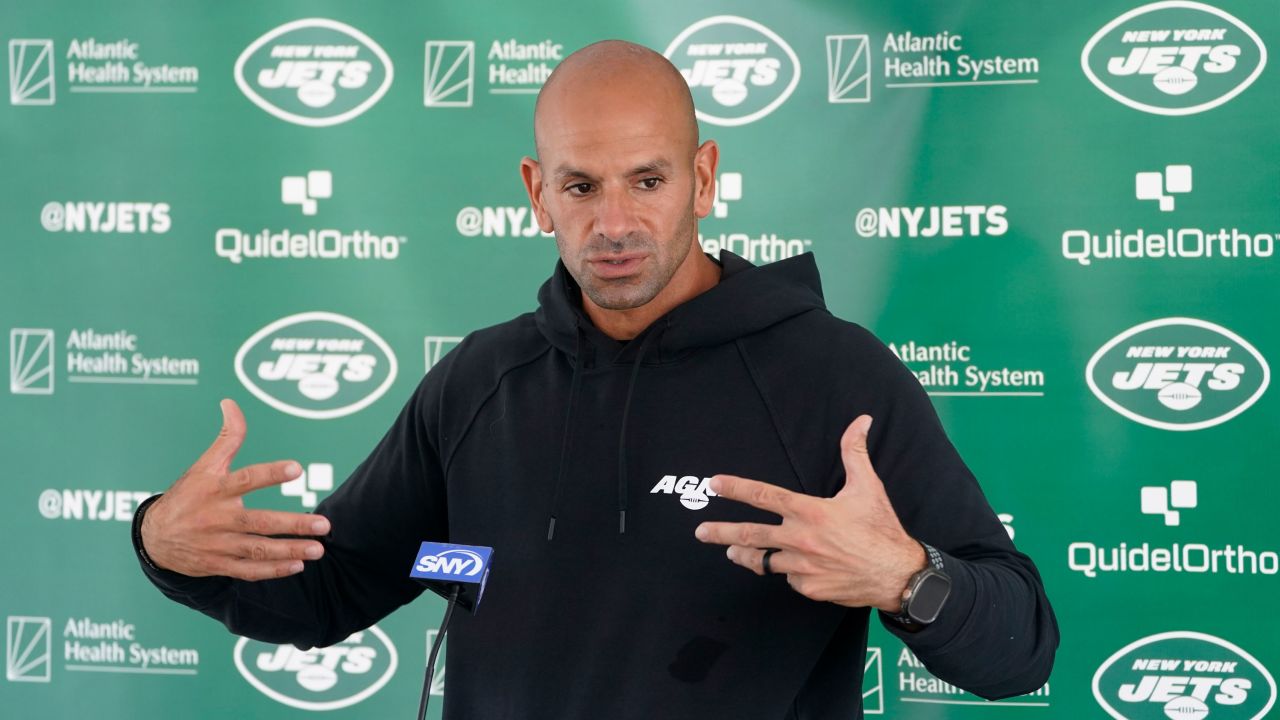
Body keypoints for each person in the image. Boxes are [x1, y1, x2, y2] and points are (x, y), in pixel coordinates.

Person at [134, 40, 1058, 719]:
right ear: (537, 192)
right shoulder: (478, 384)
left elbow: (1020, 648)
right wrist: (166, 545)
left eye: (646, 181)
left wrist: (906, 577)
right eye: (582, 187)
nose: (614, 223)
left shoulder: (829, 374)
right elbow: (329, 591)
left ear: (703, 179)